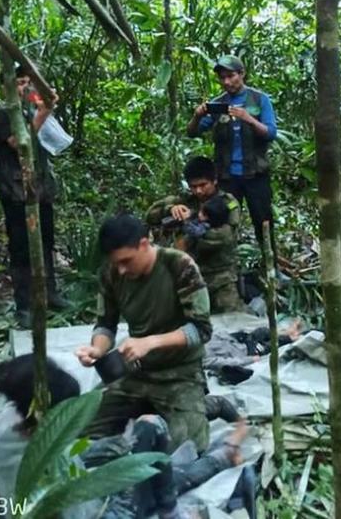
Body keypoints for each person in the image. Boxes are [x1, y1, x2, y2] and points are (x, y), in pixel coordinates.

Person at [0, 354, 249, 519]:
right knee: (165, 471)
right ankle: (220, 461)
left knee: (147, 438)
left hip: (86, 487)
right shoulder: (38, 460)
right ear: (48, 414)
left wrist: (115, 448)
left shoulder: (8, 423)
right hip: (102, 512)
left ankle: (220, 458)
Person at [75, 214, 212, 452]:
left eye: (126, 261)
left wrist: (150, 342)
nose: (121, 269)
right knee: (76, 429)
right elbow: (106, 324)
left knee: (188, 448)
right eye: (116, 262)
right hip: (136, 374)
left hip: (180, 374)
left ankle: (208, 406)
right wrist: (97, 348)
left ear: (144, 244)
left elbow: (201, 330)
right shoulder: (111, 273)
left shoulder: (179, 265)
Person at [0, 65, 69, 326]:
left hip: (40, 190)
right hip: (16, 193)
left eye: (27, 82)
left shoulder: (32, 111)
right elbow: (20, 143)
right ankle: (24, 305)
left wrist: (45, 109)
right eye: (19, 83)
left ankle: (50, 293)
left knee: (46, 242)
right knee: (21, 248)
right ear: (7, 87)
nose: (24, 88)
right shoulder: (2, 116)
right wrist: (44, 111)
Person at [186, 56, 278, 253]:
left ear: (242, 74)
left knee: (264, 222)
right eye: (222, 78)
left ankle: (272, 269)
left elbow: (270, 133)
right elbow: (193, 132)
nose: (226, 82)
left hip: (256, 175)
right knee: (222, 222)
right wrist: (197, 116)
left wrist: (249, 119)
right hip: (227, 177)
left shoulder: (259, 100)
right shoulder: (218, 104)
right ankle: (227, 267)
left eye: (231, 76)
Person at [146, 157, 244, 313]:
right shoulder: (185, 200)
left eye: (203, 185)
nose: (198, 191)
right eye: (193, 186)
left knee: (234, 322)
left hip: (220, 277)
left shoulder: (228, 203)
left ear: (215, 181)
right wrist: (171, 209)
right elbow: (150, 215)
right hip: (189, 277)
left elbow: (225, 237)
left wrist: (190, 226)